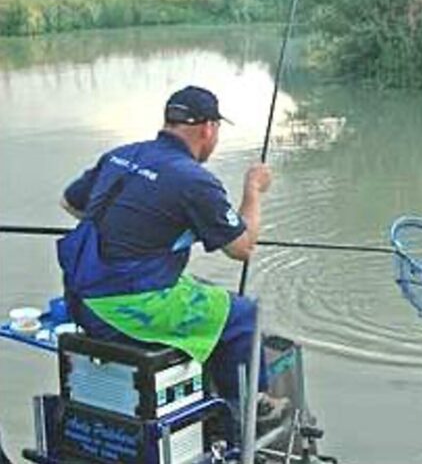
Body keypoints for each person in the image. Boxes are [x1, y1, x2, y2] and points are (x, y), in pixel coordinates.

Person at [57, 85, 287, 431]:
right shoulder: (194, 180)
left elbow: (70, 202)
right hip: (123, 311)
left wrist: (135, 230)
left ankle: (203, 393)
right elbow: (242, 248)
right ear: (208, 128)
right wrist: (253, 189)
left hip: (79, 297)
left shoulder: (122, 154)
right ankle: (246, 410)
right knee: (243, 314)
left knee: (205, 291)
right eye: (217, 130)